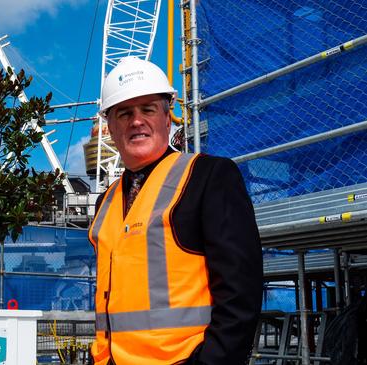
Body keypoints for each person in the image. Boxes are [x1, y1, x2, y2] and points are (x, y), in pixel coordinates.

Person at [88, 57, 262, 365]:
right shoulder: (107, 201)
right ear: (111, 128)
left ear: (168, 118)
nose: (136, 121)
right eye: (124, 113)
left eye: (148, 109)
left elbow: (240, 295)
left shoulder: (208, 177)